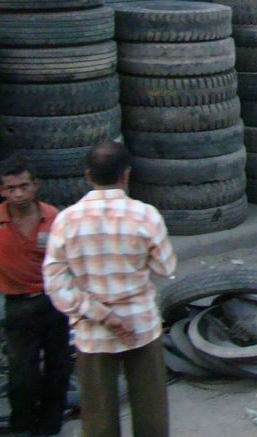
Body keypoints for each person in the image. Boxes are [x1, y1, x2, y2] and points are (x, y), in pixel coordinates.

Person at [43, 141, 176, 437]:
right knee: (151, 411)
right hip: (140, 323)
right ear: (125, 175)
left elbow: (54, 282)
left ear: (88, 176)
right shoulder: (146, 216)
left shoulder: (66, 221)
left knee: (99, 418)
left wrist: (101, 314)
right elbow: (165, 269)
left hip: (93, 332)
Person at [0, 155, 72, 437]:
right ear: (1, 191)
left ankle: (51, 427)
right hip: (18, 307)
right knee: (21, 375)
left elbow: (68, 258)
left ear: (35, 185)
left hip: (53, 302)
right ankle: (23, 427)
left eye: (24, 186)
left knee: (58, 368)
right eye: (10, 188)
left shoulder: (52, 217)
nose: (18, 194)